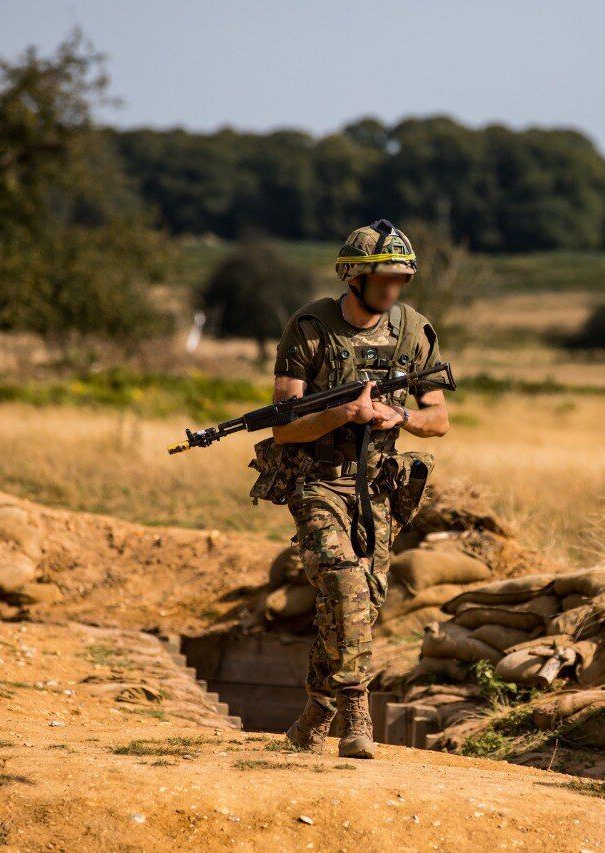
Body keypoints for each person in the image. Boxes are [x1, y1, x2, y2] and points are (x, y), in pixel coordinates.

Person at [265, 220, 449, 758]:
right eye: (383, 278)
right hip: (318, 483)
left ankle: (314, 716)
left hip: (378, 489)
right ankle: (355, 717)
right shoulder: (310, 329)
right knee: (343, 585)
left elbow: (438, 418)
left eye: (401, 280)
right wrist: (345, 412)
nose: (393, 290)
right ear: (354, 278)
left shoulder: (414, 332)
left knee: (358, 604)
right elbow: (284, 426)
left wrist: (400, 418)